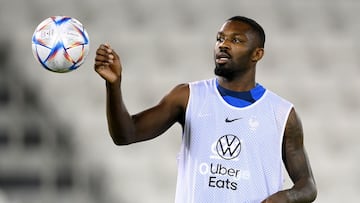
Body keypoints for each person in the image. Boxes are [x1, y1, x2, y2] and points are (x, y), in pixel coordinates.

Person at [94, 16, 317, 203]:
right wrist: (113, 86)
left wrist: (286, 197)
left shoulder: (282, 113)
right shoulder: (187, 96)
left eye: (236, 40)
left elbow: (308, 186)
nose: (223, 44)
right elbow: (125, 134)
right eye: (220, 38)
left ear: (257, 54)